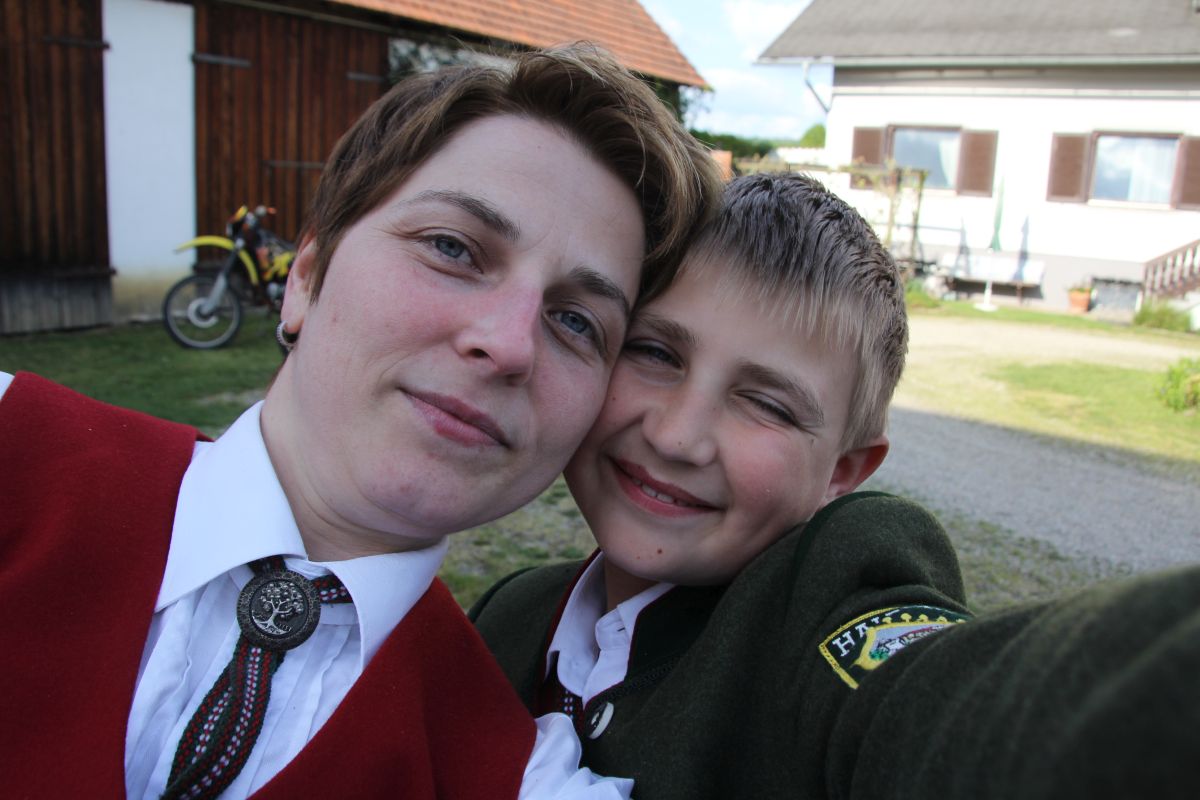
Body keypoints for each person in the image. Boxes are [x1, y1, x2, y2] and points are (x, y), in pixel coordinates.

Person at [0, 44, 722, 799]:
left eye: (576, 321)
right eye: (452, 248)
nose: (509, 344)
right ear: (306, 277)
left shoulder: (517, 776)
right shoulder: (16, 449)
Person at [471, 173, 1200, 800]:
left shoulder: (814, 615)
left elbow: (957, 712)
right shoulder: (507, 616)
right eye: (655, 352)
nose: (677, 437)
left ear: (844, 472)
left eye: (768, 404)